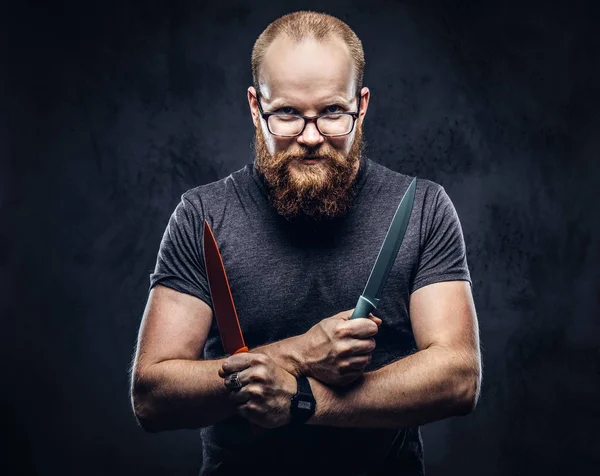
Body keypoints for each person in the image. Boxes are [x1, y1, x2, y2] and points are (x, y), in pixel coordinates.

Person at [130, 10, 481, 476]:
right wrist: (297, 353)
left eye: (333, 112)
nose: (311, 137)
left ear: (362, 104)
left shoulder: (422, 209)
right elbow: (151, 397)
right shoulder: (203, 216)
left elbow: (459, 378)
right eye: (288, 114)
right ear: (256, 108)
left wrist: (302, 400)